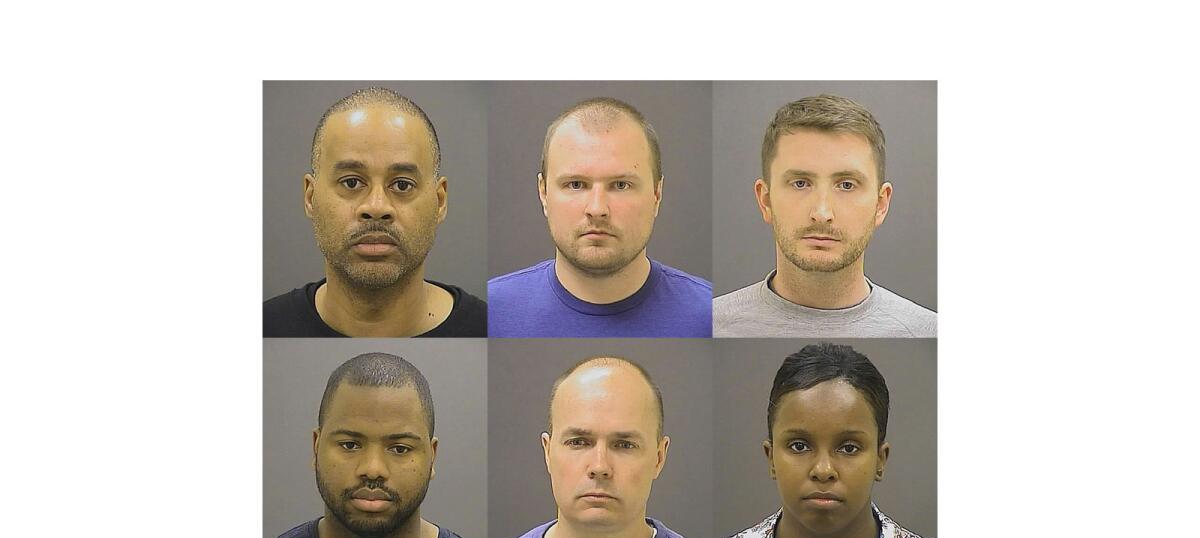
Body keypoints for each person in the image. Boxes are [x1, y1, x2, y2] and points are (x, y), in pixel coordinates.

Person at [712, 343, 937, 538]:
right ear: (771, 457)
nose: (823, 470)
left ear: (880, 460)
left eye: (849, 448)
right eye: (799, 446)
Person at [264, 87, 487, 337]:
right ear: (310, 197)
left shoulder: (489, 326)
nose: (377, 207)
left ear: (440, 201)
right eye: (351, 182)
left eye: (402, 185)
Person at [713, 95, 936, 337]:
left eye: (847, 185)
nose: (821, 213)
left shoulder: (929, 331)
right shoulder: (711, 324)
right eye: (800, 183)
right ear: (765, 200)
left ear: (880, 204)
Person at [488, 97, 711, 337]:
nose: (597, 208)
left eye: (621, 185)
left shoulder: (709, 316)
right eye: (575, 184)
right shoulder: (491, 312)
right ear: (543, 192)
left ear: (657, 194)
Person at [263, 353, 486, 538]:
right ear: (316, 448)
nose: (373, 469)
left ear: (432, 456)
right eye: (350, 445)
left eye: (400, 449)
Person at [488, 356, 711, 538]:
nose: (599, 466)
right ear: (547, 451)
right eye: (579, 442)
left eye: (624, 445)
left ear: (659, 457)